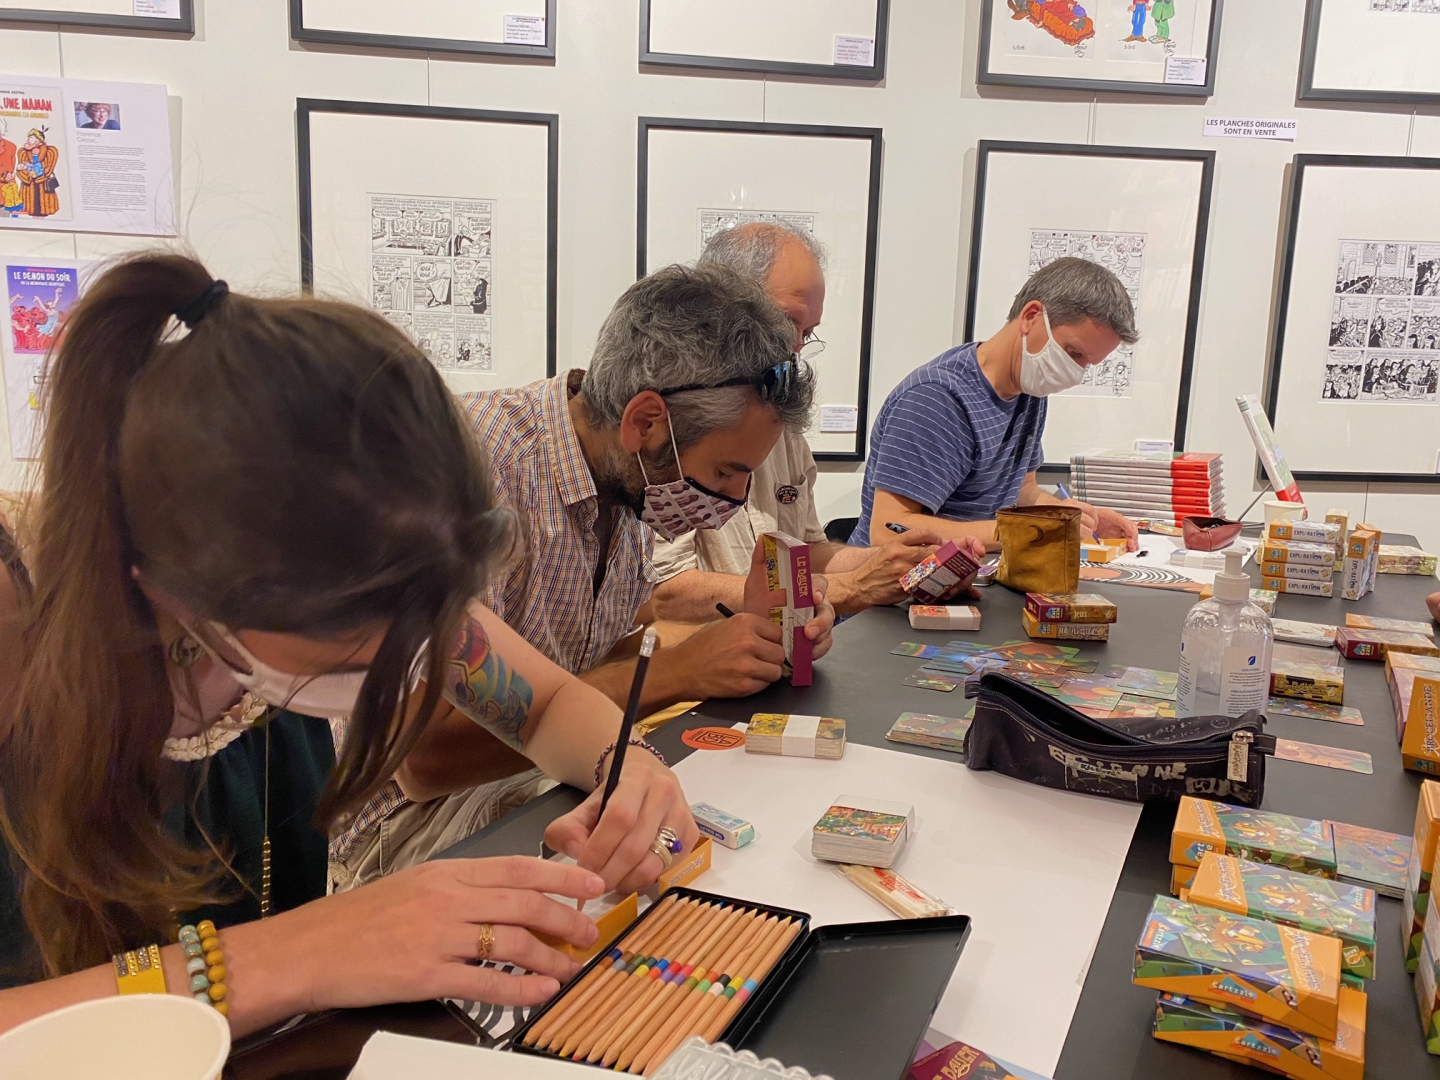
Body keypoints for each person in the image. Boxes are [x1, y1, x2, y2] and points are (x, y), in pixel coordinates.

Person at [0, 253, 696, 1038]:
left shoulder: (350, 569)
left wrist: (628, 766)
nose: (417, 660)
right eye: (355, 650)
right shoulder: (18, 627)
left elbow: (543, 707)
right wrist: (298, 952)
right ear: (181, 589)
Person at [330, 263, 834, 891]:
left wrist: (740, 641)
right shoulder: (475, 472)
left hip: (550, 760)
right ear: (645, 422)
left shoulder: (630, 480)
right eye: (726, 472)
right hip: (407, 828)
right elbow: (425, 762)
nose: (732, 501)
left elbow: (589, 667)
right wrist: (679, 672)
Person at [649, 222, 978, 621]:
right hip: (703, 652)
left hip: (777, 647)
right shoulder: (667, 418)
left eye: (807, 333)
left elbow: (806, 551)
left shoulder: (781, 420)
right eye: (787, 323)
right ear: (719, 306)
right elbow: (663, 593)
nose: (795, 349)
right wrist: (854, 587)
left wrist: (897, 564)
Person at [852, 257, 1141, 550]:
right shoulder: (937, 399)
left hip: (972, 570)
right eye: (1074, 353)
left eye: (1087, 364)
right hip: (903, 576)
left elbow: (1022, 489)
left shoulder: (1030, 390)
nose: (1075, 373)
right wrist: (1027, 530)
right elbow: (889, 530)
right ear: (1030, 317)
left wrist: (1064, 517)